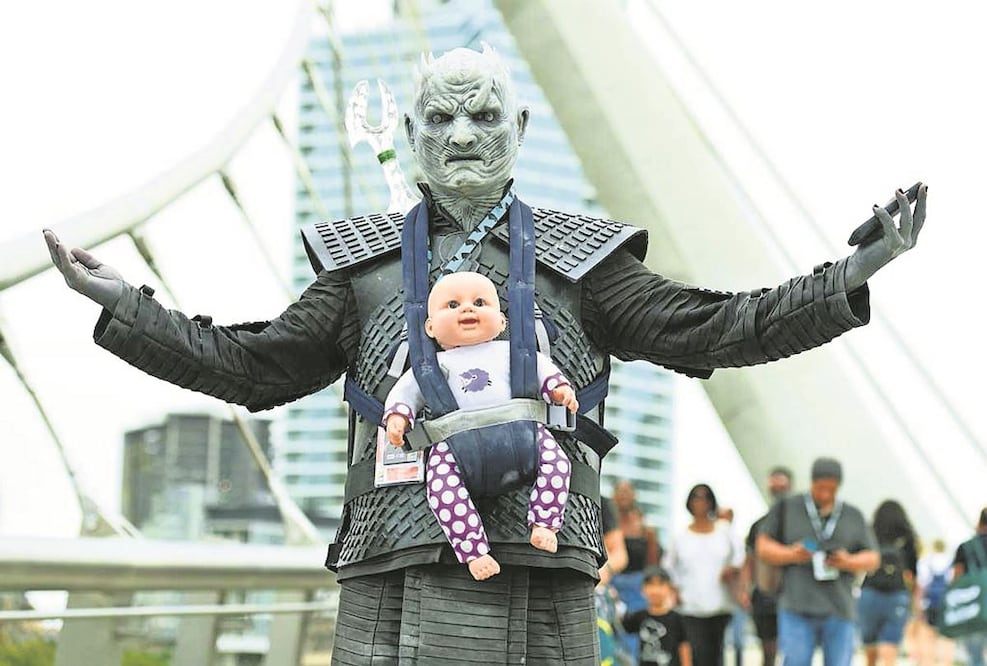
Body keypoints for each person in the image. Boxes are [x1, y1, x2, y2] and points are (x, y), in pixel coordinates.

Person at [43, 41, 927, 664]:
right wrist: (131, 307)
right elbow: (250, 366)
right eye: (440, 117)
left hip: (543, 558)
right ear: (413, 134)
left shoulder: (584, 261)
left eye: (482, 115)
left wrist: (853, 269)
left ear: (522, 124)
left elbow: (719, 327)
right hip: (394, 551)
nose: (462, 134)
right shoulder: (364, 266)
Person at [383, 271, 579, 580]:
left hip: (522, 433)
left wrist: (559, 390)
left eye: (479, 302)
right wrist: (397, 418)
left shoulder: (511, 352)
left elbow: (544, 370)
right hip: (456, 447)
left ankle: (545, 522)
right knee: (442, 491)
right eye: (452, 304)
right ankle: (473, 551)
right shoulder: (431, 365)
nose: (467, 309)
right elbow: (406, 393)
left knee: (558, 464)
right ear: (430, 327)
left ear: (502, 322)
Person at [756, 457, 880, 666]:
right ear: (811, 482)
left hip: (839, 607)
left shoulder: (852, 515)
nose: (825, 494)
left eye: (831, 489)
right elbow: (763, 546)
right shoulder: (788, 507)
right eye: (820, 487)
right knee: (795, 661)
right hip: (796, 605)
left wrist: (848, 561)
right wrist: (791, 554)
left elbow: (873, 558)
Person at [665, 483, 743, 666]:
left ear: (712, 502)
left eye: (705, 498)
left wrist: (732, 569)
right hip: (691, 605)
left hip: (720, 605)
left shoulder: (724, 530)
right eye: (696, 497)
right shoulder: (680, 536)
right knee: (697, 654)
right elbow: (668, 566)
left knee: (717, 655)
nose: (701, 502)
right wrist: (675, 590)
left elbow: (740, 554)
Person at [856, 499, 918, 666]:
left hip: (870, 592)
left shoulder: (870, 533)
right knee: (890, 644)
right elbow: (912, 573)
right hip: (897, 594)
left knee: (870, 643)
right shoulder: (908, 538)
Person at [742, 466, 793, 666]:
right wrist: (746, 588)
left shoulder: (799, 524)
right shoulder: (759, 525)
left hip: (792, 595)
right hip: (764, 596)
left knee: (794, 650)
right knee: (768, 652)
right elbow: (750, 560)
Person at [611, 479, 663, 661]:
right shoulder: (607, 523)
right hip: (612, 583)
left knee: (634, 637)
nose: (624, 495)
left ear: (634, 495)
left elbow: (653, 564)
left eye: (628, 491)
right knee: (610, 634)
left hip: (637, 586)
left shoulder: (645, 528)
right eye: (620, 491)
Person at [621, 566, 692, 666]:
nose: (655, 590)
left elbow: (684, 646)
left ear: (669, 588)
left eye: (660, 585)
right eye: (651, 585)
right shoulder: (639, 616)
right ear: (643, 589)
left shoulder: (677, 618)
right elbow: (620, 629)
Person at [952, 508, 987, 666]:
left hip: (974, 605)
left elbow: (957, 578)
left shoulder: (965, 547)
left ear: (979, 523)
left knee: (975, 655)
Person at [914, 538, 955, 666]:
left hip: (930, 603)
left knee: (928, 637)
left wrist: (917, 606)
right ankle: (947, 663)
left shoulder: (926, 561)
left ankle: (928, 663)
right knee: (947, 638)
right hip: (947, 604)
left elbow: (922, 586)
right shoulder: (951, 561)